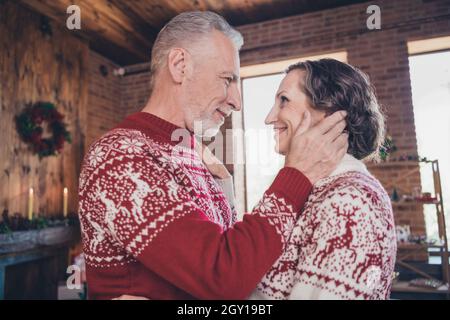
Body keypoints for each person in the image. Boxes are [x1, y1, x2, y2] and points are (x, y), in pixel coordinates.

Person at [78, 11, 348, 299]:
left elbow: (238, 265)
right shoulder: (119, 157)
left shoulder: (194, 156)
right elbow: (224, 278)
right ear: (180, 65)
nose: (237, 101)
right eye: (227, 79)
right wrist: (297, 174)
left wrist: (226, 193)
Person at [250, 59, 397, 300]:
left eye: (284, 100)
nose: (269, 118)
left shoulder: (349, 202)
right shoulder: (313, 191)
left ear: (330, 113)